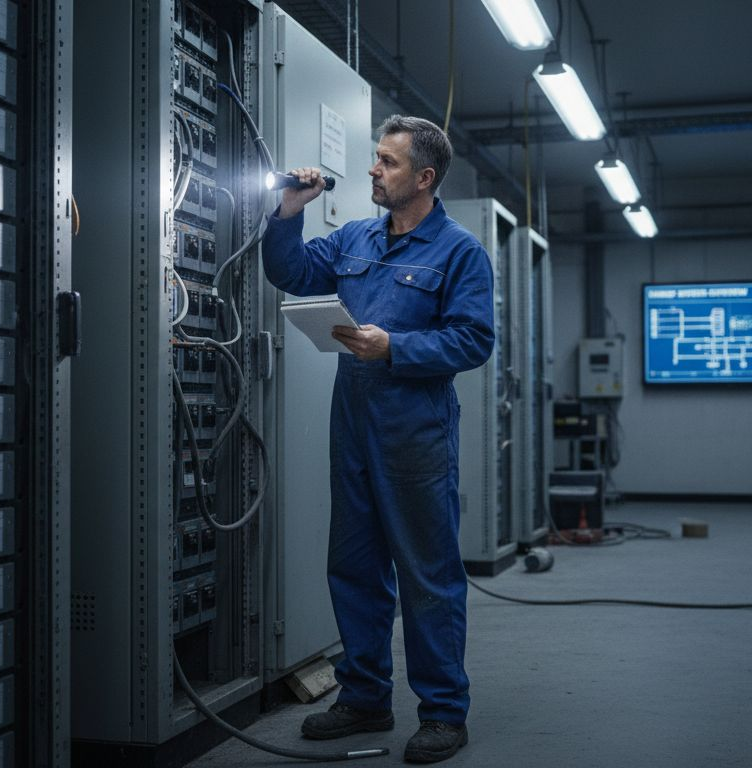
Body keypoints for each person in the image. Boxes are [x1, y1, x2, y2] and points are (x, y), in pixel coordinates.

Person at [260, 115, 494, 764]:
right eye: (373, 159)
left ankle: (445, 713)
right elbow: (295, 274)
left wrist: (396, 347)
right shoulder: (356, 237)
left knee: (428, 577)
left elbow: (474, 339)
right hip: (355, 430)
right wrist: (288, 214)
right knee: (355, 570)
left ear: (423, 177)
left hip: (415, 437)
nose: (372, 170)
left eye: (387, 163)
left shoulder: (459, 252)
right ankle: (364, 697)